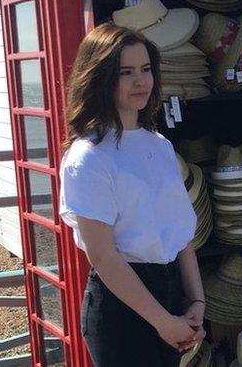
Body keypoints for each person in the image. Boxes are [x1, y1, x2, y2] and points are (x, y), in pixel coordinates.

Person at [58, 23, 204, 366]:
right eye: (126, 72)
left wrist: (197, 302)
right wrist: (164, 322)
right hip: (121, 307)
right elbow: (104, 257)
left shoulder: (161, 146)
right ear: (101, 78)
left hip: (169, 295)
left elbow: (181, 235)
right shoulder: (89, 156)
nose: (141, 81)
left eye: (146, 69)